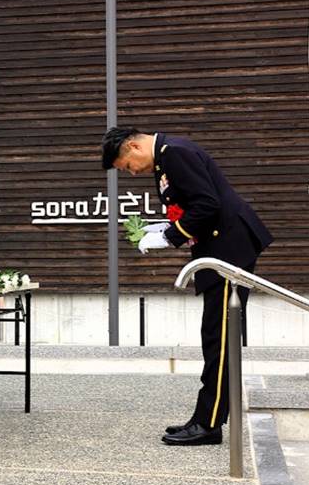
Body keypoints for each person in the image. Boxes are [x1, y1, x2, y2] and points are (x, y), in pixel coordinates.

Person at [101, 128, 273, 445]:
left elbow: (207, 205)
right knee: (215, 337)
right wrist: (166, 227)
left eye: (127, 166)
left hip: (228, 251)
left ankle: (209, 424)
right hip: (219, 250)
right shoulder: (166, 157)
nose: (132, 172)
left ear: (134, 146)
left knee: (219, 340)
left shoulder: (175, 153)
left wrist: (170, 236)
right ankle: (205, 418)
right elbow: (195, 204)